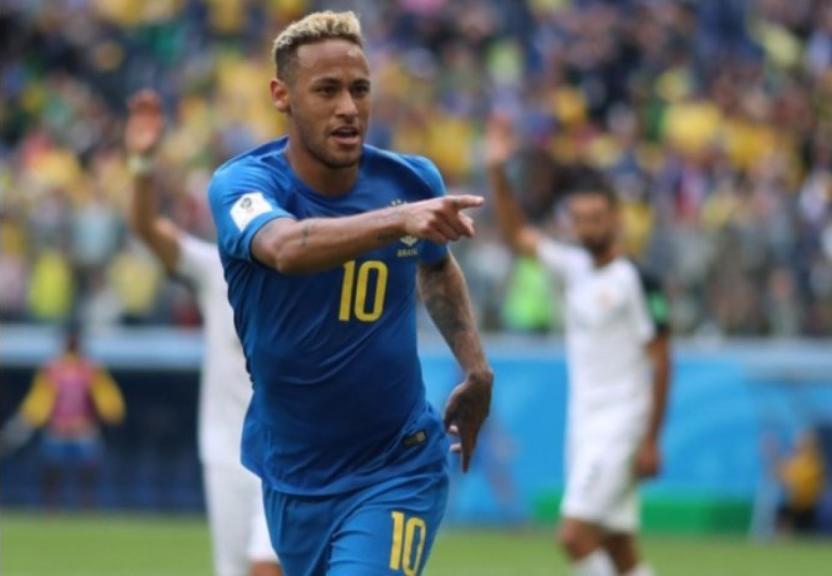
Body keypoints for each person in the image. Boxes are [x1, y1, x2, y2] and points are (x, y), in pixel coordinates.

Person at [206, 11, 493, 576]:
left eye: (360, 90)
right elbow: (286, 247)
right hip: (292, 474)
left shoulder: (410, 183)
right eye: (327, 90)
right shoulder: (244, 186)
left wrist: (476, 368)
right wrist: (400, 222)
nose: (348, 108)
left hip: (397, 465)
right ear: (281, 95)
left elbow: (436, 268)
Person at [485, 118, 671, 576]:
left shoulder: (636, 280)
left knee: (574, 535)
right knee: (619, 546)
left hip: (622, 423)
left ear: (616, 219)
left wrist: (650, 437)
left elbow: (663, 361)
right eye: (580, 219)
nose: (587, 227)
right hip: (585, 424)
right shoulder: (572, 267)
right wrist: (497, 173)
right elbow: (517, 237)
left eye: (596, 218)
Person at [123, 90, 281, 576]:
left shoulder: (306, 273)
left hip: (288, 455)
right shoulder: (215, 270)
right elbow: (147, 228)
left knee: (267, 566)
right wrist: (141, 164)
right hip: (224, 450)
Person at [15, 327, 124, 509]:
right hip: (58, 427)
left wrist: (112, 412)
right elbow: (40, 398)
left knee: (89, 467)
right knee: (51, 468)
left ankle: (86, 504)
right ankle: (51, 506)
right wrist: (29, 417)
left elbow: (106, 395)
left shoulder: (89, 369)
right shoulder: (53, 369)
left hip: (82, 427)